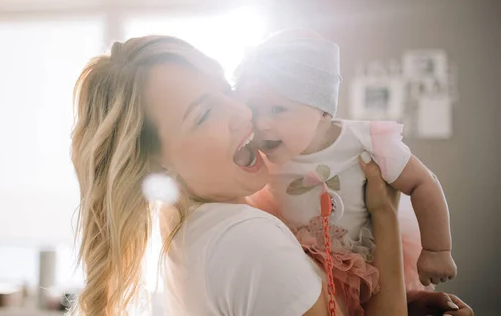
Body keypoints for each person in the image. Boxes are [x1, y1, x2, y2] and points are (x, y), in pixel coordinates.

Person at [69, 35, 472, 316]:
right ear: (156, 164)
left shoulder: (187, 221)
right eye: (205, 113)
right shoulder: (249, 237)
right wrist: (383, 215)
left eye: (227, 89)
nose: (244, 113)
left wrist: (399, 303)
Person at [235, 30, 457, 313]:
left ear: (323, 111)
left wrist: (437, 250)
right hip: (300, 268)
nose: (262, 123)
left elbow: (423, 183)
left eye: (278, 109)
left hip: (363, 263)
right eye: (253, 110)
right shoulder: (258, 151)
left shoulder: (367, 142)